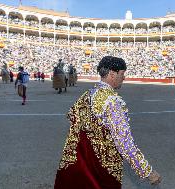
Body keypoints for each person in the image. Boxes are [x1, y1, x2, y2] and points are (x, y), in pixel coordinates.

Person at [54, 56, 162, 189]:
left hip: (81, 164)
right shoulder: (112, 102)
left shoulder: (86, 95)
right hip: (103, 168)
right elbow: (125, 143)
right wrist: (147, 171)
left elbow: (74, 125)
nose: (124, 77)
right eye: (122, 74)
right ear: (112, 74)